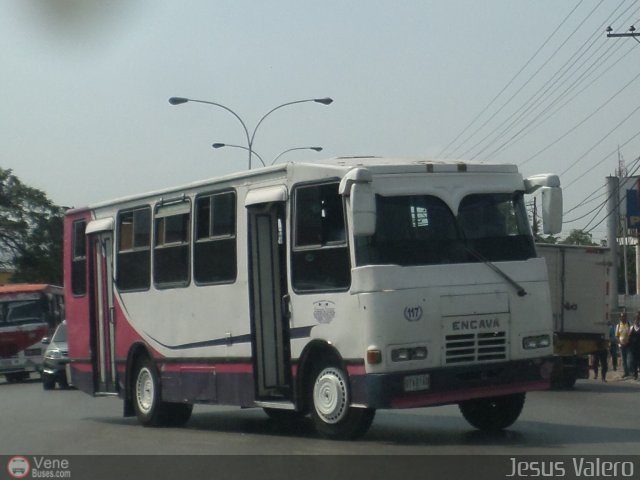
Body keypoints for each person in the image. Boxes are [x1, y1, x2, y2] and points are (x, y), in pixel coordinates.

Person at [615, 311, 631, 377]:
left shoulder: (629, 324)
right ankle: (626, 372)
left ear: (626, 317)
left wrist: (627, 341)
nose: (623, 317)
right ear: (620, 317)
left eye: (624, 316)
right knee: (624, 359)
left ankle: (630, 371)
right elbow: (616, 336)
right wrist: (620, 343)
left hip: (628, 344)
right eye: (622, 316)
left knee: (629, 359)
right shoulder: (618, 325)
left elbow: (631, 334)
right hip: (621, 345)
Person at [628, 313, 640, 380]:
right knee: (634, 361)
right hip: (633, 348)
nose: (637, 321)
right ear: (634, 321)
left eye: (638, 320)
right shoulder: (632, 327)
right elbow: (629, 337)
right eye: (636, 320)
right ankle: (635, 374)